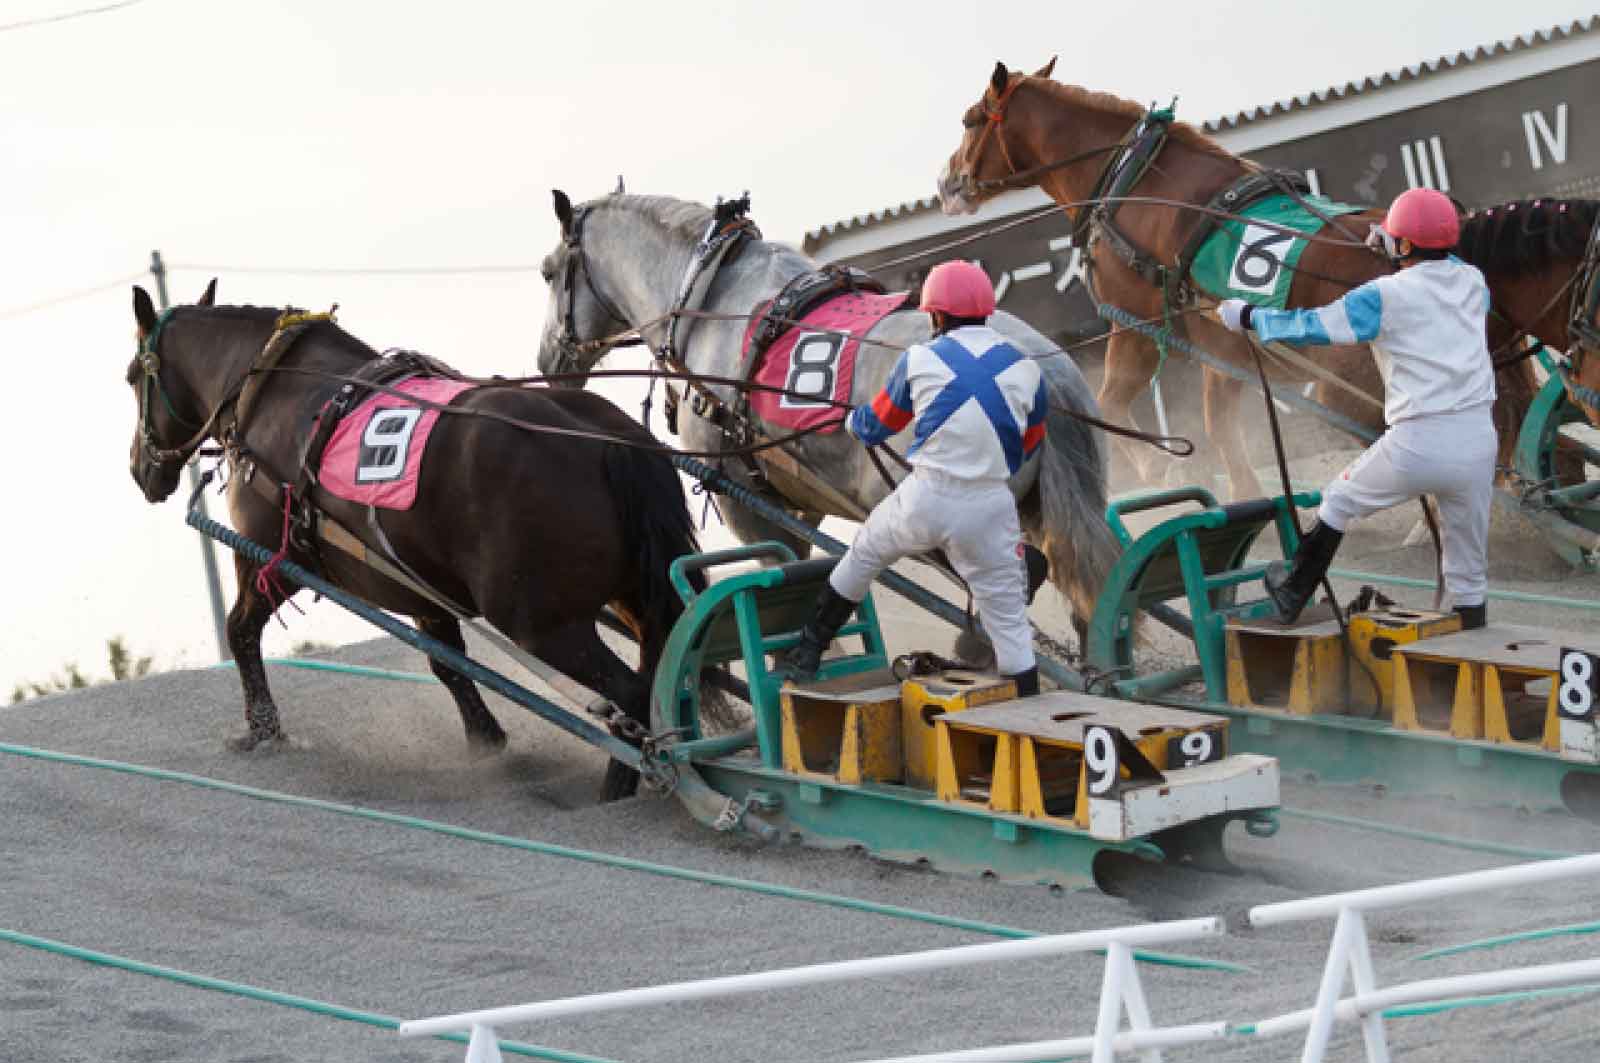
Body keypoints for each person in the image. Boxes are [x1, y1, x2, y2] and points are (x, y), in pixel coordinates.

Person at [1215, 187, 1495, 630]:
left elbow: (1311, 326)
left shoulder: (1381, 295)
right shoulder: (1474, 282)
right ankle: (1473, 633)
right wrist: (1395, 246)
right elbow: (1439, 270)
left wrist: (1248, 316)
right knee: (1467, 571)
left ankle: (1291, 591)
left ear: (1401, 245)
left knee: (1339, 501)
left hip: (1419, 444)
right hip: (1479, 441)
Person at [781, 259, 1047, 694]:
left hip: (926, 499)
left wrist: (853, 422)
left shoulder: (919, 358)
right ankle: (1028, 702)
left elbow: (877, 425)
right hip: (991, 505)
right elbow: (1030, 441)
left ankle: (808, 651)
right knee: (1011, 629)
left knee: (863, 556)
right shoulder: (1027, 367)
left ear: (937, 315)